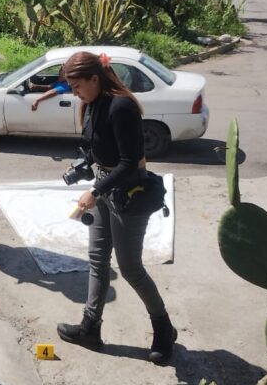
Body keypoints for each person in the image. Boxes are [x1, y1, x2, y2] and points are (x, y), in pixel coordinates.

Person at [55, 50, 177, 363]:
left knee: (131, 269)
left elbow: (130, 164)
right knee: (97, 260)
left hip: (129, 195)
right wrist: (86, 165)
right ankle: (90, 327)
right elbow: (99, 150)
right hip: (105, 188)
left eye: (77, 85)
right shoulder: (92, 104)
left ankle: (164, 329)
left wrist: (95, 191)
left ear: (95, 78)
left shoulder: (122, 107)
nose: (74, 92)